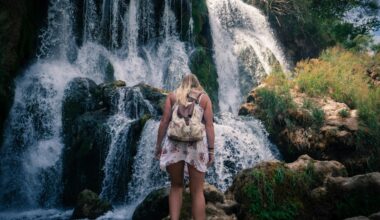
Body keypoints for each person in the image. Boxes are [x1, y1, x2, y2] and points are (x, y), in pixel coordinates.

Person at [155, 74, 215, 220]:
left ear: (182, 84)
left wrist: (158, 145)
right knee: (197, 191)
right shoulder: (204, 98)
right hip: (196, 145)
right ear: (197, 84)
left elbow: (164, 121)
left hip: (174, 144)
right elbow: (209, 126)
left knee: (176, 186)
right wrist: (211, 150)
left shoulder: (173, 96)